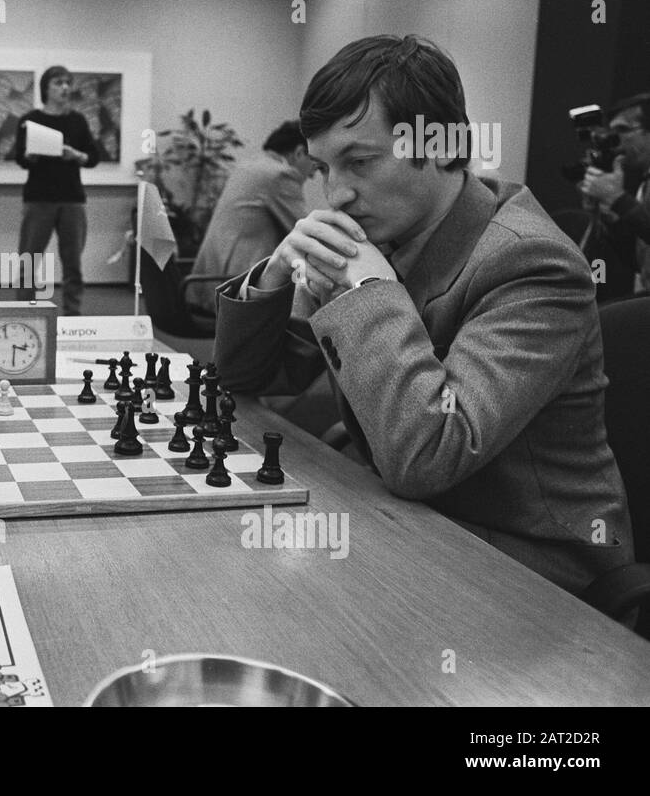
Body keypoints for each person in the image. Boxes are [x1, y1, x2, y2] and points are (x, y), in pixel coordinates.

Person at [212, 35, 633, 594]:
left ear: (440, 145)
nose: (334, 195)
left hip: (531, 557)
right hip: (408, 509)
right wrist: (276, 272)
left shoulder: (532, 262)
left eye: (359, 162)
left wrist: (367, 290)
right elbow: (248, 380)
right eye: (322, 168)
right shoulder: (381, 233)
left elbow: (429, 454)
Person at [186, 120, 313, 313]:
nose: (313, 175)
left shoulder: (249, 166)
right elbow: (309, 234)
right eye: (318, 166)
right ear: (299, 153)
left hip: (209, 282)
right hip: (237, 287)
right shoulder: (279, 175)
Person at [9, 66, 100, 314]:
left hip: (72, 199)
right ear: (45, 88)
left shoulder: (77, 121)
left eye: (68, 83)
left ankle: (72, 316)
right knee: (29, 261)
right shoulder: (30, 120)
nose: (65, 88)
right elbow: (20, 159)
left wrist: (75, 155)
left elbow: (93, 157)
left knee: (73, 265)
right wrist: (31, 155)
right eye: (58, 83)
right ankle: (26, 314)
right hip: (38, 198)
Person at [577, 92, 650, 293]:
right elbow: (638, 262)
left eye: (623, 130)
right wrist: (611, 216)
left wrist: (617, 198)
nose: (613, 140)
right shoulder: (644, 184)